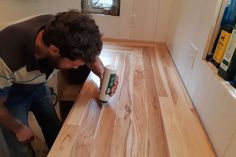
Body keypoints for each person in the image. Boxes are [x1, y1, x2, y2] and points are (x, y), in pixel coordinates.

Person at [0, 9, 118, 157]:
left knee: (53, 125)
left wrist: (103, 75)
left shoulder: (59, 28)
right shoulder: (5, 59)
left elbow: (88, 56)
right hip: (10, 97)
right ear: (55, 50)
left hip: (37, 86)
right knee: (20, 146)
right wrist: (17, 128)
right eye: (74, 64)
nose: (76, 68)